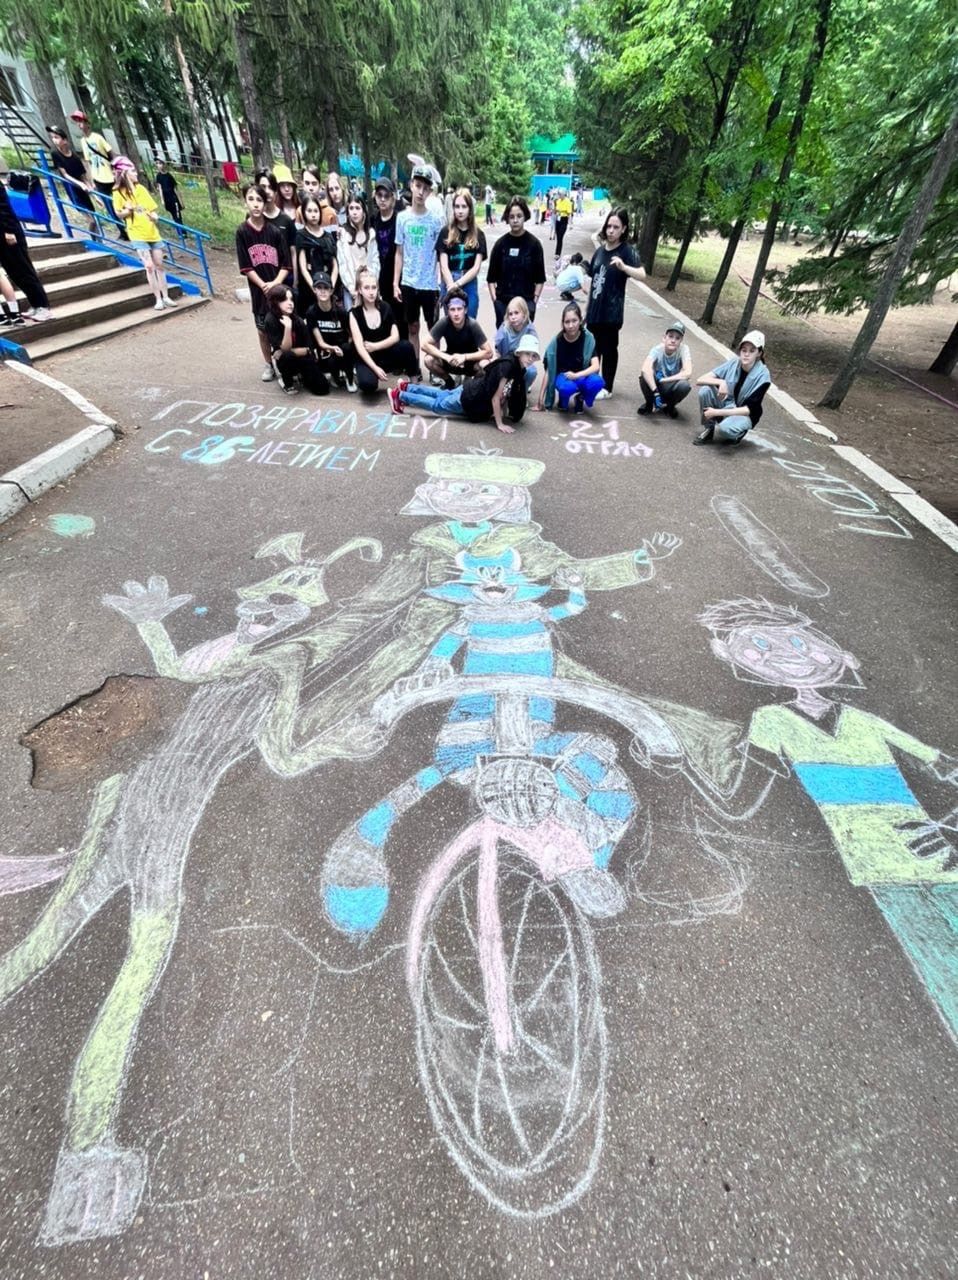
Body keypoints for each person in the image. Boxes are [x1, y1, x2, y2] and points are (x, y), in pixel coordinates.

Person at [390, 333, 539, 434]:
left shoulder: (514, 364)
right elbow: (496, 398)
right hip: (470, 398)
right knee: (437, 405)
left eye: (533, 355)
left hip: (470, 388)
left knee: (441, 394)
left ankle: (407, 387)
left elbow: (503, 394)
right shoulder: (509, 368)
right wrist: (500, 423)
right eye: (527, 354)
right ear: (519, 352)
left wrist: (502, 412)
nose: (530, 358)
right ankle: (399, 395)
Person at [584, 207, 645, 400]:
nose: (611, 231)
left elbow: (642, 274)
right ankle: (593, 383)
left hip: (611, 312)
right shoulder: (600, 252)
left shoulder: (626, 251)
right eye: (609, 226)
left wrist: (624, 267)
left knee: (608, 349)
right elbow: (593, 282)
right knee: (593, 349)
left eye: (616, 227)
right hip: (594, 311)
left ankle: (607, 387)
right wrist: (587, 309)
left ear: (624, 228)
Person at [235, 182, 291, 381]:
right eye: (251, 199)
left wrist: (275, 283)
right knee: (262, 330)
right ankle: (268, 364)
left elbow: (286, 263)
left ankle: (284, 363)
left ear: (265, 202)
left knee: (282, 325)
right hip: (259, 291)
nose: (255, 204)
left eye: (259, 199)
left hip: (277, 288)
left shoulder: (274, 232)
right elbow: (246, 266)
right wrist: (263, 285)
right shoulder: (242, 232)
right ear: (245, 202)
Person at [111, 157, 176, 312]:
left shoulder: (140, 189)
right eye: (132, 171)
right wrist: (128, 210)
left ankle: (166, 296)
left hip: (151, 231)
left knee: (159, 264)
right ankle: (158, 299)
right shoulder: (118, 192)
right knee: (149, 266)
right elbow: (119, 213)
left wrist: (154, 217)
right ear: (125, 173)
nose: (136, 173)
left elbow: (152, 209)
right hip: (137, 233)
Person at [393, 164, 444, 360]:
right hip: (409, 282)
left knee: (434, 328)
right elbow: (399, 252)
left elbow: (441, 254)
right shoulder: (402, 218)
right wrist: (395, 283)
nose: (421, 192)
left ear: (430, 191)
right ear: (411, 185)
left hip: (430, 283)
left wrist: (441, 282)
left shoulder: (436, 221)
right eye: (418, 186)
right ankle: (414, 365)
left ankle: (435, 364)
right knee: (412, 327)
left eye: (425, 188)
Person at [349, 267, 419, 395]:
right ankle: (360, 375)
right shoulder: (354, 313)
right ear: (359, 290)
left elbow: (395, 336)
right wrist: (375, 369)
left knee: (406, 346)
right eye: (367, 288)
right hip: (367, 359)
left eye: (374, 288)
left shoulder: (385, 307)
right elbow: (360, 347)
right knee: (368, 385)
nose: (371, 292)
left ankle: (414, 383)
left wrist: (375, 346)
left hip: (385, 353)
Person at [694, 330, 771, 445]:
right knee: (705, 390)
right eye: (744, 350)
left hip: (745, 414)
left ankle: (738, 433)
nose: (746, 354)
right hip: (728, 404)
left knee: (724, 430)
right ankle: (709, 429)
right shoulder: (734, 363)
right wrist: (721, 382)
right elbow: (700, 380)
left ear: (759, 353)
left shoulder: (763, 376)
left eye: (752, 351)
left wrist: (716, 412)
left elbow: (748, 409)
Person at [0, 171, 52, 322]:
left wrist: (8, 231)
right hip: (3, 236)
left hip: (9, 234)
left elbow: (3, 208)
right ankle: (36, 305)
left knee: (24, 270)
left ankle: (42, 306)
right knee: (16, 273)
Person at [486, 196, 546, 328]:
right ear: (507, 218)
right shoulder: (500, 245)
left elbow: (540, 279)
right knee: (503, 340)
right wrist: (496, 302)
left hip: (526, 305)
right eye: (511, 217)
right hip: (503, 304)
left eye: (519, 216)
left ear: (525, 217)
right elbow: (491, 278)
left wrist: (533, 302)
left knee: (524, 341)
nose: (515, 220)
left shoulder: (534, 245)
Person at [263, 284, 330, 395]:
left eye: (291, 299)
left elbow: (309, 349)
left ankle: (301, 376)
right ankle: (287, 382)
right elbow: (285, 350)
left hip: (303, 358)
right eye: (284, 299)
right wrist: (288, 328)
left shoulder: (298, 320)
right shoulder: (270, 320)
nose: (290, 303)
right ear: (275, 301)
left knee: (322, 388)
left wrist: (291, 351)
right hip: (286, 361)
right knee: (287, 356)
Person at [538, 302, 604, 412]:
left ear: (580, 320)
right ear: (562, 323)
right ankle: (563, 401)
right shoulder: (557, 342)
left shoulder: (588, 338)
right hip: (563, 377)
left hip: (580, 375)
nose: (571, 325)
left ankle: (580, 398)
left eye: (574, 321)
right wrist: (540, 398)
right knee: (567, 388)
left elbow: (596, 366)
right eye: (567, 322)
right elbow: (549, 370)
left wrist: (576, 375)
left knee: (597, 382)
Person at [421, 287, 492, 388]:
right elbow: (424, 344)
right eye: (452, 309)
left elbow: (489, 352)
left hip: (470, 362)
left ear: (465, 310)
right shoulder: (444, 322)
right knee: (429, 360)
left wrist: (464, 357)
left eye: (459, 309)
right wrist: (446, 357)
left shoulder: (472, 324)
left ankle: (472, 386)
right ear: (448, 311)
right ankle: (449, 382)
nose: (456, 314)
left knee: (486, 364)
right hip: (451, 360)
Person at [436, 188, 487, 319]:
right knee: (453, 321)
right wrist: (451, 285)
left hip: (468, 281)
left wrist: (458, 284)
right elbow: (443, 265)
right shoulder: (445, 232)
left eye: (464, 206)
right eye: (457, 206)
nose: (460, 210)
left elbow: (476, 268)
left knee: (470, 320)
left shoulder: (479, 234)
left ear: (470, 208)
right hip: (449, 279)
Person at [307, 270, 357, 391]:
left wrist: (345, 347)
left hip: (343, 349)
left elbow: (352, 335)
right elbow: (320, 342)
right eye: (319, 287)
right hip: (327, 350)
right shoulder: (311, 312)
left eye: (326, 287)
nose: (323, 291)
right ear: (314, 290)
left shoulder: (341, 312)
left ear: (331, 290)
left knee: (347, 348)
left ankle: (350, 378)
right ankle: (335, 376)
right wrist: (332, 349)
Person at [46, 125, 97, 235]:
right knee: (91, 220)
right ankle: (93, 237)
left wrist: (93, 194)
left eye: (56, 137)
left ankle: (97, 239)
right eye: (52, 137)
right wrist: (79, 184)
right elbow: (65, 175)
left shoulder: (75, 156)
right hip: (72, 188)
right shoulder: (55, 154)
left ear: (64, 140)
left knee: (94, 216)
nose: (54, 140)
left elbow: (83, 176)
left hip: (82, 189)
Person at [370, 177, 405, 336]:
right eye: (380, 195)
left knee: (401, 320)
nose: (383, 199)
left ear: (393, 197)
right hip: (380, 277)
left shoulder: (400, 219)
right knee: (384, 318)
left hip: (398, 276)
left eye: (386, 196)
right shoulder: (373, 220)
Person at [638, 320, 693, 418]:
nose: (673, 340)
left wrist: (664, 380)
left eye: (677, 338)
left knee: (685, 385)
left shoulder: (684, 349)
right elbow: (645, 368)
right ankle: (649, 403)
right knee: (644, 376)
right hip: (656, 385)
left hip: (671, 385)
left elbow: (688, 372)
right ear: (664, 338)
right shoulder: (657, 349)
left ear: (681, 341)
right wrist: (655, 392)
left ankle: (670, 406)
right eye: (670, 336)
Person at [256, 170, 297, 288]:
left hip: (286, 278)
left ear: (275, 190)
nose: (267, 191)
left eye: (270, 187)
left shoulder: (286, 220)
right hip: (262, 279)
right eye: (263, 187)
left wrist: (296, 280)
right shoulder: (253, 218)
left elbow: (293, 252)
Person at [337, 195, 380, 309]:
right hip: (350, 289)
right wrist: (352, 288)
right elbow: (342, 264)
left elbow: (375, 262)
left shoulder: (371, 234)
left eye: (357, 208)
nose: (354, 212)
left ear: (363, 211)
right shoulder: (343, 235)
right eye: (351, 208)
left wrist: (370, 285)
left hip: (369, 287)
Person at [297, 196, 339, 307]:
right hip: (309, 288)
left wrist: (331, 286)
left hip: (328, 285)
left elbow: (335, 265)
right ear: (304, 213)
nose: (313, 214)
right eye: (309, 211)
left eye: (316, 211)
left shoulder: (328, 236)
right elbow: (303, 268)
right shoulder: (301, 235)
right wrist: (315, 289)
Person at [494, 295, 539, 389]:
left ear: (524, 314)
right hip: (507, 361)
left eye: (516, 313)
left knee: (532, 372)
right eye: (510, 314)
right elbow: (498, 351)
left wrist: (527, 360)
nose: (513, 317)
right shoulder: (504, 330)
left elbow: (534, 352)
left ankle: (523, 389)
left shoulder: (529, 328)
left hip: (524, 362)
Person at [154, 161, 183, 225]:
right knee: (173, 214)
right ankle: (178, 229)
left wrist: (181, 201)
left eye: (160, 163)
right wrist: (162, 200)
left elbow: (176, 188)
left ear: (164, 165)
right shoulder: (158, 176)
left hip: (173, 198)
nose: (158, 165)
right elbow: (160, 188)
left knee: (177, 215)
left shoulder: (169, 175)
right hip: (166, 199)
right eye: (157, 164)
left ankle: (182, 230)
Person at [553, 189, 573, 259]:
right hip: (558, 219)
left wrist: (570, 224)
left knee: (560, 236)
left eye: (560, 194)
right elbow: (555, 210)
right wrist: (555, 211)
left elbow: (569, 214)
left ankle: (557, 253)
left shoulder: (568, 202)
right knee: (558, 236)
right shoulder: (558, 201)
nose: (559, 196)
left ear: (564, 194)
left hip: (564, 220)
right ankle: (557, 252)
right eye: (559, 194)